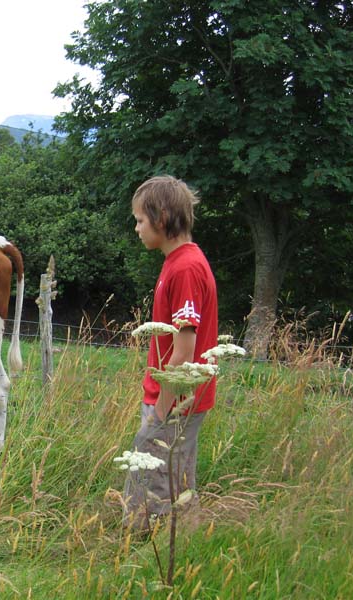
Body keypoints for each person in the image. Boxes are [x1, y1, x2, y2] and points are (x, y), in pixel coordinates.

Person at [123, 175, 218, 531]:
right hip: (176, 397)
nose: (137, 228)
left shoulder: (185, 268)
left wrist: (161, 411)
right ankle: (181, 547)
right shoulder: (177, 262)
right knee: (174, 479)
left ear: (161, 218)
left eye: (140, 220)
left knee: (152, 480)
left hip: (176, 401)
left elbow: (184, 350)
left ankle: (145, 548)